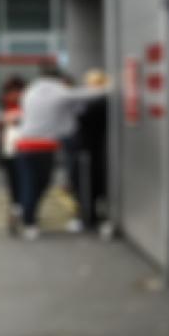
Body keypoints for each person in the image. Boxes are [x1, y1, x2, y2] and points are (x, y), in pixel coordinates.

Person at [11, 66, 100, 241]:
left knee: (29, 182)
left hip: (23, 144)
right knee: (40, 183)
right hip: (43, 146)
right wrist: (112, 87)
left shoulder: (29, 92)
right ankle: (28, 221)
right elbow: (86, 95)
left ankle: (23, 212)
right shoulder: (57, 91)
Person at [64, 70, 112, 236]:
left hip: (88, 151)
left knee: (86, 184)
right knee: (84, 184)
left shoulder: (98, 103)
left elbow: (83, 122)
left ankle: (88, 218)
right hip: (88, 150)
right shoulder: (94, 103)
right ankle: (88, 215)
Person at [0, 75, 26, 232]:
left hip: (24, 147)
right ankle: (16, 208)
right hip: (10, 149)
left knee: (23, 180)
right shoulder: (5, 108)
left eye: (16, 91)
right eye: (10, 92)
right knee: (13, 181)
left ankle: (21, 208)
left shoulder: (27, 108)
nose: (12, 95)